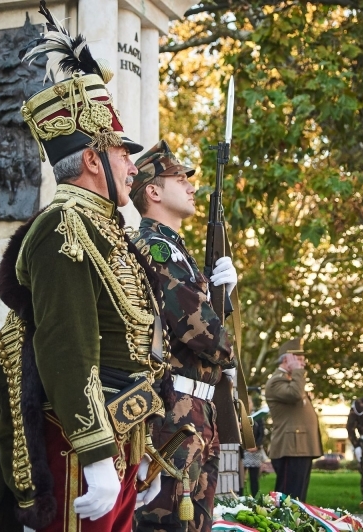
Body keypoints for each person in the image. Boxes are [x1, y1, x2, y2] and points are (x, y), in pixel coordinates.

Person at [0, 7, 165, 531]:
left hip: (119, 436)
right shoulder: (63, 227)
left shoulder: (105, 227)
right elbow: (67, 345)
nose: (133, 167)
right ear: (92, 160)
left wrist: (142, 447)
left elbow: (133, 346)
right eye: (123, 154)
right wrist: (97, 456)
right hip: (77, 444)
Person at [129, 140, 237, 532]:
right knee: (171, 522)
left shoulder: (177, 251)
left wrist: (223, 296)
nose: (191, 187)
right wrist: (229, 349)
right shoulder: (157, 249)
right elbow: (202, 333)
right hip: (174, 411)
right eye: (180, 179)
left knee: (195, 524)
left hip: (194, 409)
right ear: (153, 192)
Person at [265, 338, 323, 502]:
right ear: (286, 359)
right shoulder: (276, 381)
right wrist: (297, 371)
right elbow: (295, 394)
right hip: (290, 447)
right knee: (288, 498)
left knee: (298, 498)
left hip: (300, 447)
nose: (303, 364)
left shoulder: (290, 380)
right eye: (299, 359)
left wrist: (297, 372)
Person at [243, 396, 268, 496]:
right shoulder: (239, 417)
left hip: (255, 452)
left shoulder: (258, 417)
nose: (247, 405)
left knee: (254, 478)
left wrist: (256, 445)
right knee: (241, 479)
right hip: (243, 452)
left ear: (252, 404)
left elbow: (261, 434)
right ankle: (240, 498)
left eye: (249, 402)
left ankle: (255, 498)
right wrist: (245, 446)